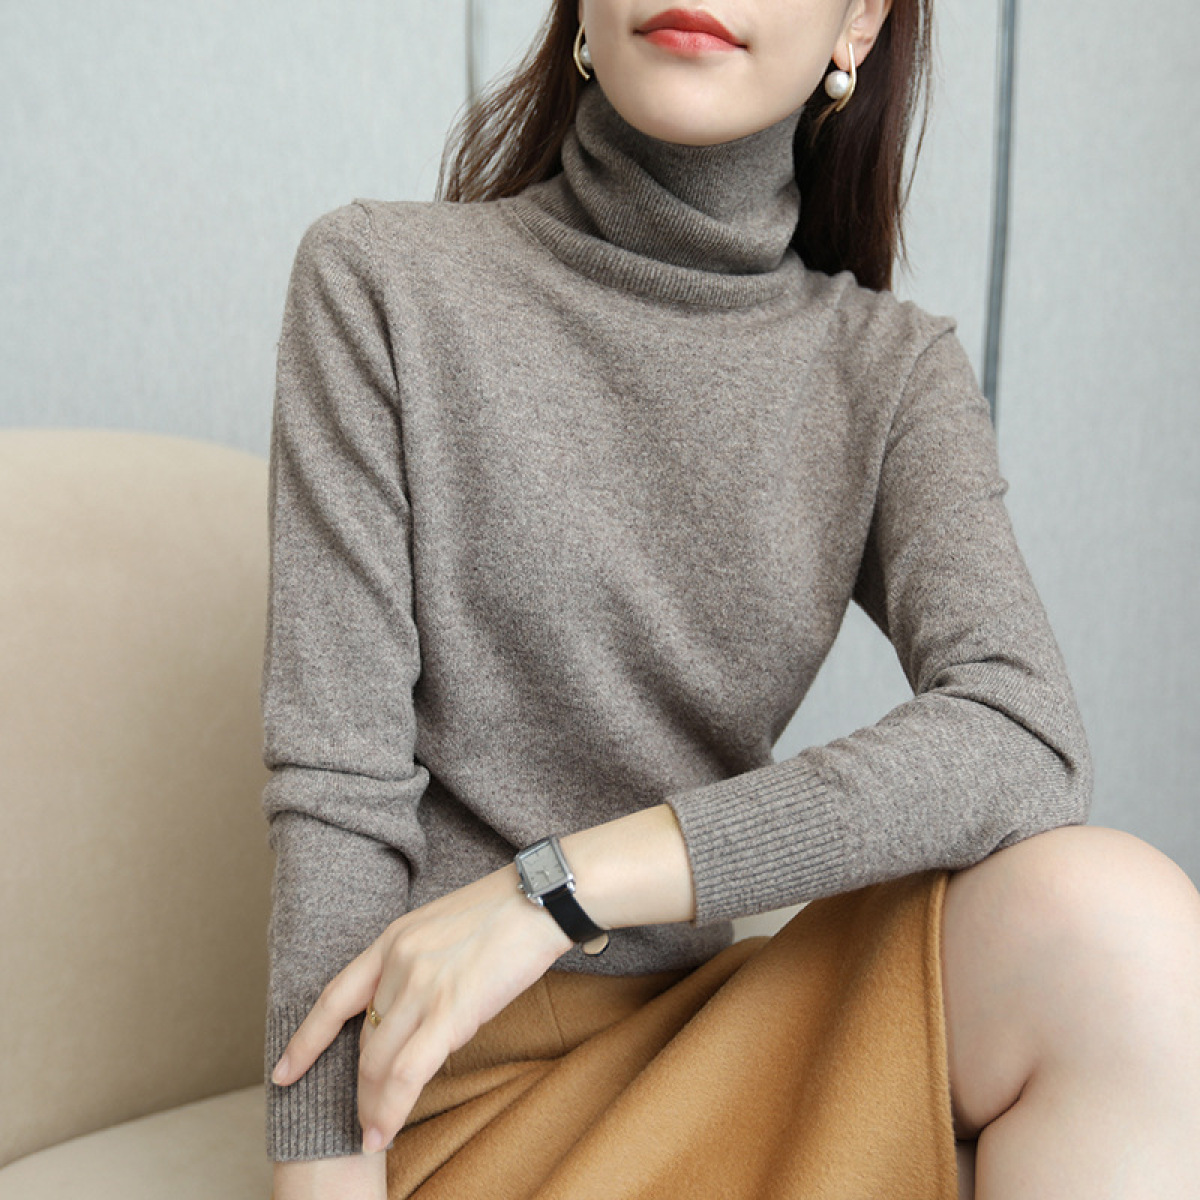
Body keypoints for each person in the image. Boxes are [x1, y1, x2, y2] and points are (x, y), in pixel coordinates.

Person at [261, 1, 1200, 1197]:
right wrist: (328, 1173)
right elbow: (337, 798)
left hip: (705, 1036)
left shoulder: (888, 371)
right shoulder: (381, 281)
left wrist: (555, 892)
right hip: (446, 1092)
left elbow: (1023, 734)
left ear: (858, 24)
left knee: (1115, 932)